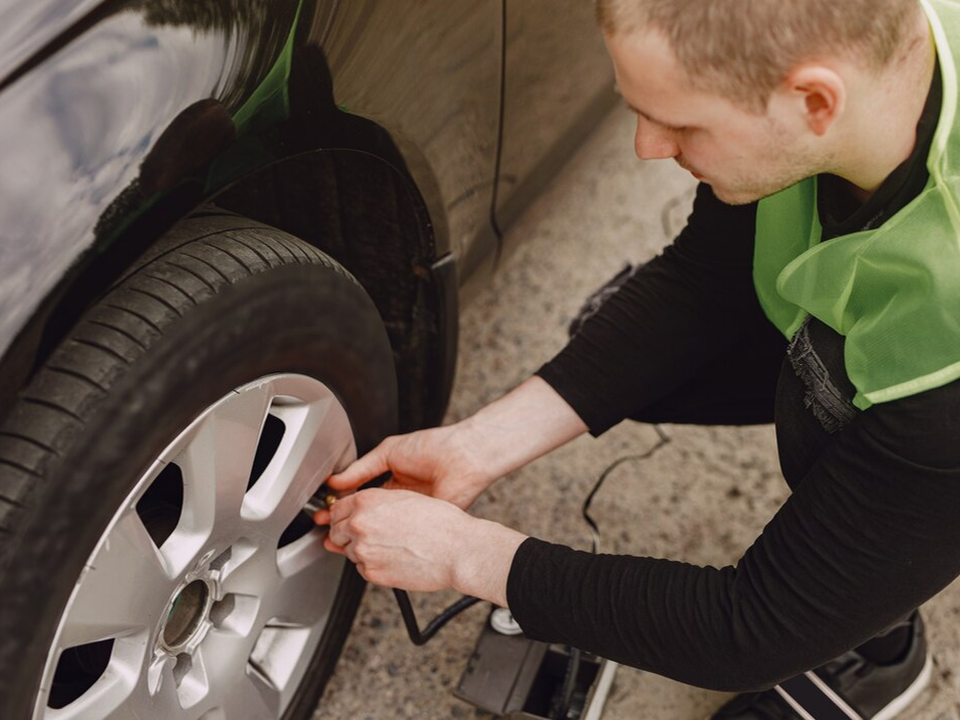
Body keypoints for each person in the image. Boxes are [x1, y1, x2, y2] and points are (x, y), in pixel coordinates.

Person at [312, 1, 960, 717]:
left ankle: (878, 645)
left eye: (681, 125)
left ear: (813, 101)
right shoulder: (860, 68)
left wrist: (469, 555)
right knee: (624, 345)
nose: (646, 148)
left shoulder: (944, 343)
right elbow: (704, 276)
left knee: (823, 407)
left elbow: (745, 630)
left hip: (935, 412)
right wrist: (477, 446)